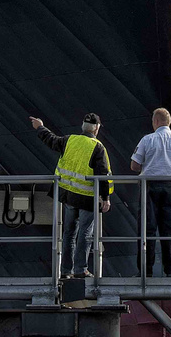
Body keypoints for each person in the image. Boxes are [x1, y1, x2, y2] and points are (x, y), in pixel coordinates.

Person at [29, 113, 112, 278]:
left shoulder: (69, 140)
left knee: (69, 233)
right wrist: (106, 198)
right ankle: (81, 269)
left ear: (83, 127)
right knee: (85, 233)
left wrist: (40, 127)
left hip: (69, 196)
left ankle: (66, 271)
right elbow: (103, 175)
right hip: (88, 198)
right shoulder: (98, 147)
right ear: (96, 128)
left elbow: (50, 140)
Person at [129, 107, 171, 278]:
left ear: (155, 121)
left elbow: (134, 166)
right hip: (170, 186)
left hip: (149, 186)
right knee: (168, 230)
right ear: (169, 122)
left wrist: (149, 167)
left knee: (147, 230)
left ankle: (145, 271)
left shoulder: (147, 140)